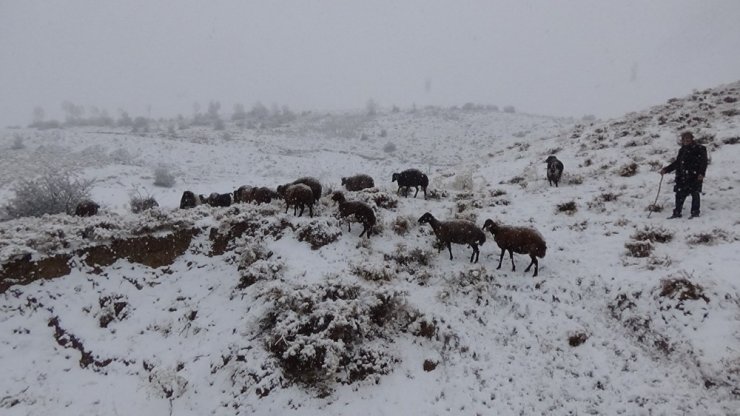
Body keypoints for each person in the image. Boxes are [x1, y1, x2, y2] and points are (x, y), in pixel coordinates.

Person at [659, 131, 708, 219]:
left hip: (695, 175)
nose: (686, 140)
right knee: (679, 194)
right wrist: (666, 169)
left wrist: (701, 173)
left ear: (692, 139)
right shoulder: (682, 150)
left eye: (688, 138)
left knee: (695, 194)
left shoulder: (700, 149)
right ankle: (677, 212)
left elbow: (703, 162)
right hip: (682, 176)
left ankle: (695, 213)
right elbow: (677, 163)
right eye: (684, 139)